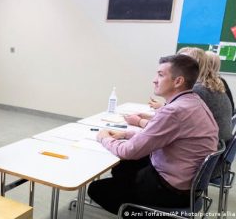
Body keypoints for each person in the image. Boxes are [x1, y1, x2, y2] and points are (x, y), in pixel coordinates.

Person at [87, 54, 218, 216]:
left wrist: (103, 137)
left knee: (97, 188)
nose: (154, 80)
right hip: (188, 184)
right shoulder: (193, 100)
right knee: (124, 167)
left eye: (161, 75)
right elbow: (156, 135)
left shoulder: (174, 111)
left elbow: (128, 151)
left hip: (171, 190)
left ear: (178, 81)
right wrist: (126, 133)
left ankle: (141, 210)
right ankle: (128, 190)